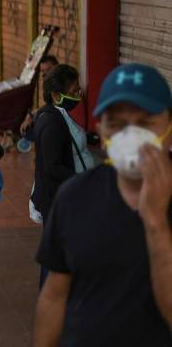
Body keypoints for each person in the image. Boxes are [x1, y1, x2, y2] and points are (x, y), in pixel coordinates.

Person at [34, 63, 172, 346]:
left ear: (168, 127)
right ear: (102, 131)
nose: (131, 136)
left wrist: (157, 223)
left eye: (145, 123)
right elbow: (54, 295)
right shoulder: (74, 196)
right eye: (117, 124)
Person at [31, 64, 94, 283]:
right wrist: (82, 180)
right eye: (74, 90)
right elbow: (52, 166)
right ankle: (51, 301)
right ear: (57, 94)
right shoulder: (51, 121)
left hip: (65, 195)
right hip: (58, 199)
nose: (78, 94)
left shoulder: (59, 115)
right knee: (57, 257)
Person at [20, 55, 60, 136]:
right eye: (43, 71)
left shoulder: (61, 85)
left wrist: (33, 115)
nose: (45, 74)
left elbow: (56, 107)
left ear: (57, 67)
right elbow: (49, 105)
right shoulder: (49, 84)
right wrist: (30, 115)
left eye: (49, 69)